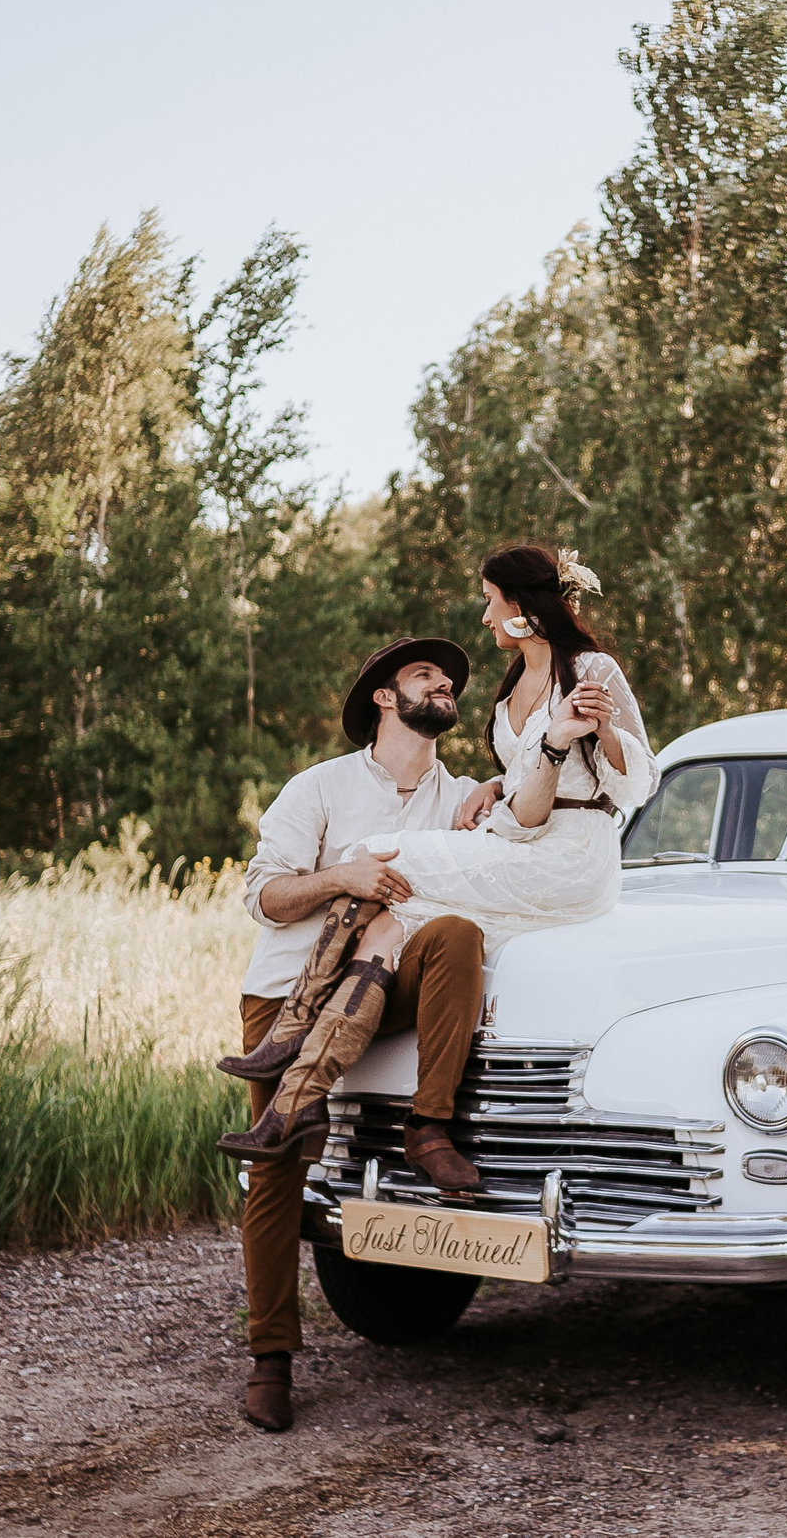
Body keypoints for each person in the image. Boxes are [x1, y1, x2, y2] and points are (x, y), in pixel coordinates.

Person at [218, 542, 657, 1172]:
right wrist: (503, 783)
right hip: (525, 838)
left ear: (520, 604)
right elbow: (532, 800)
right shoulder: (510, 693)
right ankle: (304, 1093)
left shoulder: (591, 670)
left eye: (487, 600)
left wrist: (598, 732)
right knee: (396, 912)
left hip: (572, 858)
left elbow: (635, 786)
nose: (483, 616)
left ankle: (293, 1039)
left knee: (376, 855)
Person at [217, 635, 500, 1433]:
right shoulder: (320, 787)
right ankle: (271, 1357)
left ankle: (427, 1124)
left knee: (454, 933)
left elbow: (513, 839)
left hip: (390, 982)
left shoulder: (458, 798)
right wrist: (343, 876)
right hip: (284, 995)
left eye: (448, 679)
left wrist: (502, 786)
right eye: (425, 674)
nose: (443, 683)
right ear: (384, 696)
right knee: (277, 1166)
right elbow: (263, 896)